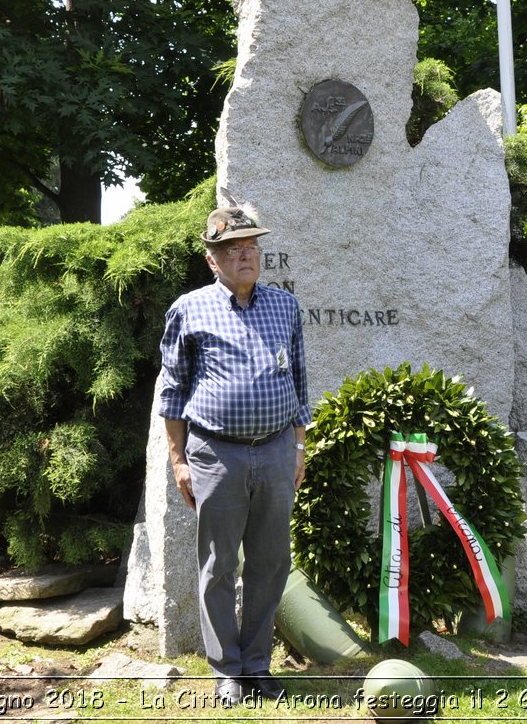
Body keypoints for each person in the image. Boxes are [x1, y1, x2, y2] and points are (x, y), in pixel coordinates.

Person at [158, 206, 309, 706]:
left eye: (251, 247)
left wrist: (300, 446)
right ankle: (227, 671)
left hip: (275, 452)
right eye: (232, 249)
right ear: (212, 259)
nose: (245, 255)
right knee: (218, 566)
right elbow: (173, 391)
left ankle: (257, 665)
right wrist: (179, 459)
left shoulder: (284, 307)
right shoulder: (189, 309)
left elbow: (300, 381)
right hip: (215, 456)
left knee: (270, 563)